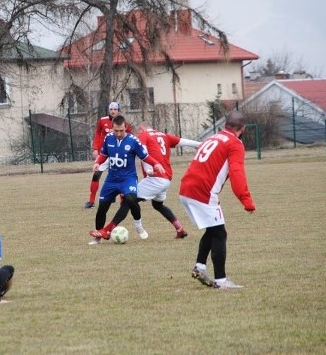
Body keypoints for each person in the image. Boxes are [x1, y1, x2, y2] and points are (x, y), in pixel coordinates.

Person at [179, 111, 255, 290]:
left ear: (225, 125)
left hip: (186, 188)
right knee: (220, 233)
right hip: (203, 192)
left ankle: (200, 267)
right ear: (243, 128)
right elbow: (237, 173)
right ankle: (221, 281)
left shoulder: (213, 138)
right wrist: (246, 200)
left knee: (213, 230)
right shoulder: (235, 143)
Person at [112, 121, 200, 239]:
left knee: (128, 199)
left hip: (155, 177)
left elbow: (143, 151)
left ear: (142, 129)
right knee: (158, 205)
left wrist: (149, 169)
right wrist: (200, 144)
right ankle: (180, 229)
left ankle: (108, 230)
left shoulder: (143, 135)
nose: (138, 135)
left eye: (138, 132)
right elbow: (182, 141)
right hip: (166, 178)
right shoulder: (163, 135)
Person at [88, 115, 165, 244]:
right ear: (112, 128)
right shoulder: (108, 138)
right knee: (102, 207)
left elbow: (145, 156)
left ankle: (139, 226)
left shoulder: (133, 141)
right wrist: (97, 162)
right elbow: (103, 154)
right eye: (116, 130)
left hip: (128, 178)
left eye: (121, 131)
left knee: (131, 199)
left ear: (126, 128)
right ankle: (98, 236)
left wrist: (155, 164)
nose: (118, 133)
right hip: (111, 179)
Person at [84, 102, 133, 209]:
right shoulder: (102, 121)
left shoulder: (123, 122)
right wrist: (96, 149)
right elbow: (97, 134)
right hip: (104, 154)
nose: (113, 111)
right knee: (96, 175)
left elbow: (130, 136)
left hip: (119, 155)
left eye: (115, 109)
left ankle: (123, 201)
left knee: (121, 177)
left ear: (118, 110)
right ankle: (91, 201)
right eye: (111, 109)